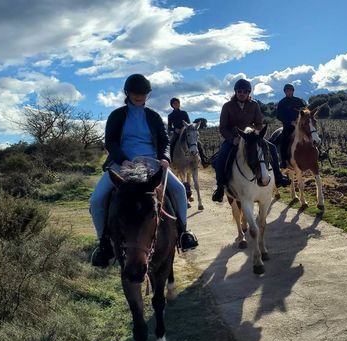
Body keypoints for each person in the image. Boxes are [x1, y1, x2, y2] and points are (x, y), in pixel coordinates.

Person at [90, 74, 198, 267]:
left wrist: (164, 158)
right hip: (123, 164)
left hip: (152, 163)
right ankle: (103, 243)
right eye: (135, 93)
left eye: (143, 93)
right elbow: (110, 142)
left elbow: (164, 141)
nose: (140, 96)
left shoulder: (153, 116)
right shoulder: (117, 115)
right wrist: (122, 160)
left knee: (179, 190)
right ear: (127, 93)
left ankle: (183, 233)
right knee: (97, 199)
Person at [212, 78, 290, 202]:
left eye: (244, 91)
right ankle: (220, 187)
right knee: (221, 156)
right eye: (239, 91)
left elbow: (259, 123)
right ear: (235, 92)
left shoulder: (254, 105)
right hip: (234, 138)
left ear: (249, 93)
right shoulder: (227, 106)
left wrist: (254, 133)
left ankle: (279, 177)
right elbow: (223, 128)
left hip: (252, 138)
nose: (241, 93)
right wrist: (232, 139)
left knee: (273, 148)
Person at [167, 97, 208, 165]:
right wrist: (175, 129)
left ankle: (204, 161)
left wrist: (184, 128)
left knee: (198, 143)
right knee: (171, 144)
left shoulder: (184, 113)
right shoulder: (170, 116)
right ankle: (171, 161)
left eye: (177, 103)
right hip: (177, 133)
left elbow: (189, 123)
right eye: (174, 103)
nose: (176, 104)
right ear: (172, 105)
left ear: (179, 104)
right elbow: (169, 127)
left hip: (186, 132)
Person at [276, 83, 306, 168]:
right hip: (288, 126)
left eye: (290, 90)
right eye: (287, 91)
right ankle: (283, 161)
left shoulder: (298, 101)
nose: (288, 92)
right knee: (284, 141)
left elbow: (304, 111)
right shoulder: (282, 102)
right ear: (285, 92)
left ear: (293, 91)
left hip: (300, 125)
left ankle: (319, 154)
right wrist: (290, 122)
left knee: (311, 134)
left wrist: (300, 118)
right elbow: (279, 116)